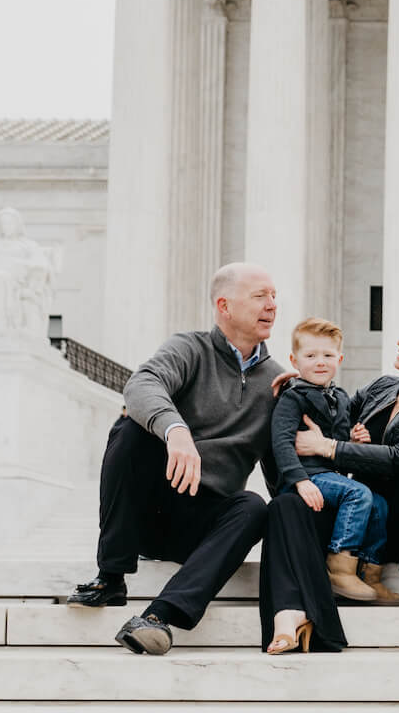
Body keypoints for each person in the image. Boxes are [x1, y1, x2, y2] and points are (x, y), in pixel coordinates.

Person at [65, 263, 305, 656]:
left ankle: (159, 616)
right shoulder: (189, 348)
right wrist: (176, 432)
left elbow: (281, 472)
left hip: (203, 524)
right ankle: (111, 578)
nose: (272, 306)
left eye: (274, 296)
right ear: (224, 305)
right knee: (129, 430)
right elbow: (141, 384)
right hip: (151, 509)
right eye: (260, 296)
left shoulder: (278, 381)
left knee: (253, 506)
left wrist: (306, 409)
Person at [263, 309, 399, 653]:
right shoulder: (382, 387)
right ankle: (291, 615)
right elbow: (336, 413)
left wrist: (329, 447)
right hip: (357, 515)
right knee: (286, 504)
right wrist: (307, 384)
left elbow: (396, 460)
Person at [267, 318, 393, 613]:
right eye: (310, 356)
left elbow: (336, 439)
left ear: (340, 359)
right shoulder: (293, 397)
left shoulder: (340, 397)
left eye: (327, 355)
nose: (319, 362)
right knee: (358, 493)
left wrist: (354, 439)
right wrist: (300, 481)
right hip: (307, 476)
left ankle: (370, 572)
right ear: (294, 360)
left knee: (379, 504)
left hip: (330, 475)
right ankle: (339, 567)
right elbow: (282, 443)